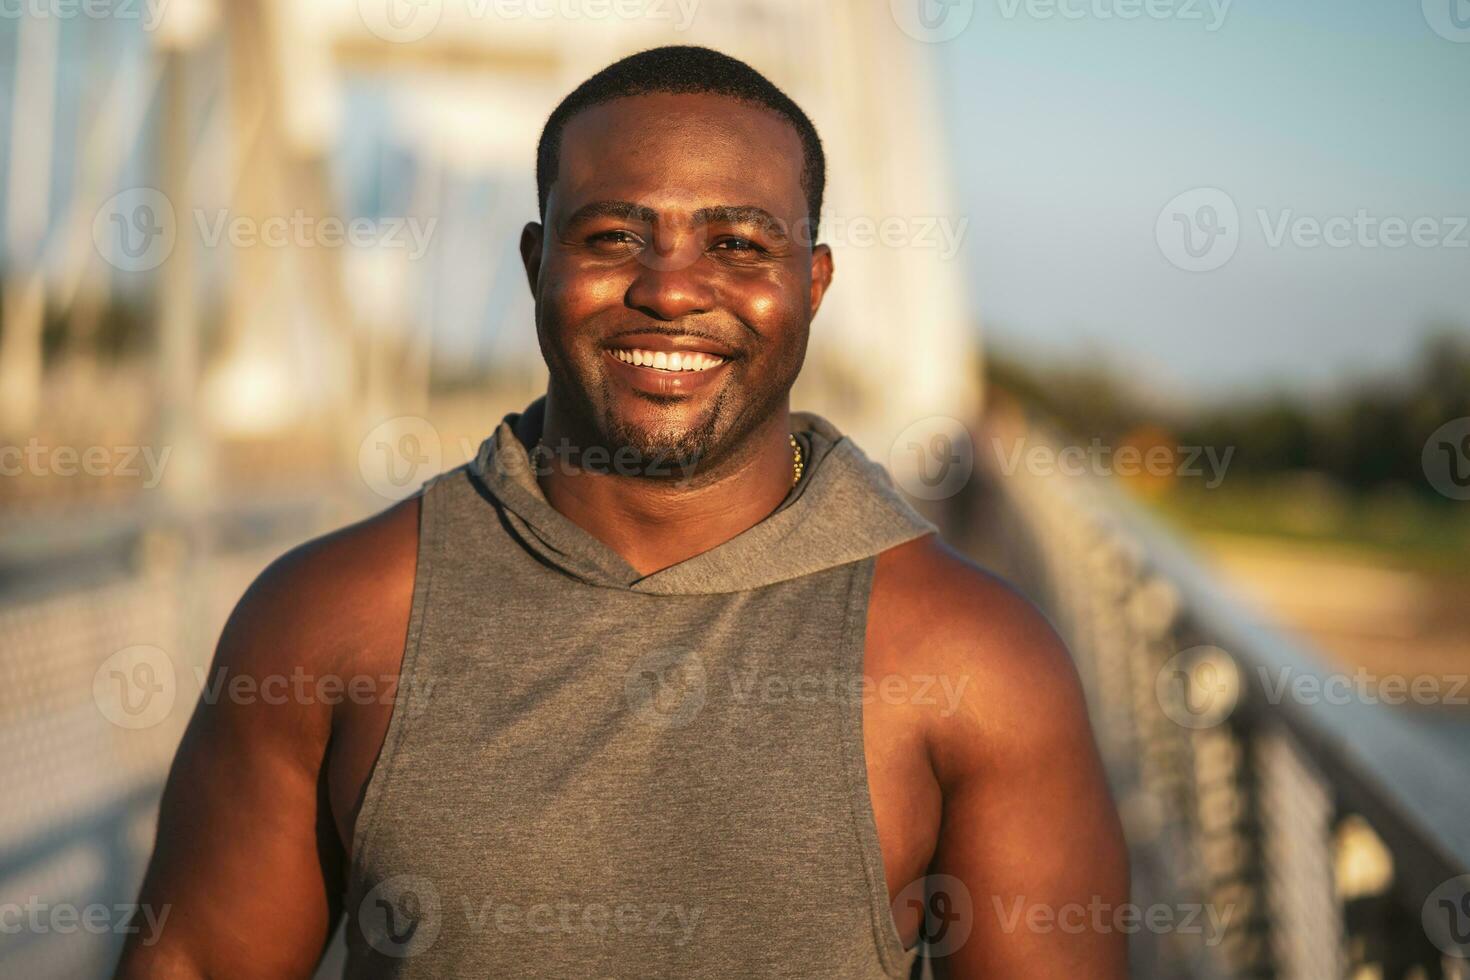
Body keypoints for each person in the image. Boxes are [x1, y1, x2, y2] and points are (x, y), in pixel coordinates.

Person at [117, 45, 1128, 979]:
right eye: (613, 236)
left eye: (736, 243)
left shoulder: (978, 659)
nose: (672, 289)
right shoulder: (332, 617)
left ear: (813, 284)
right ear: (535, 264)